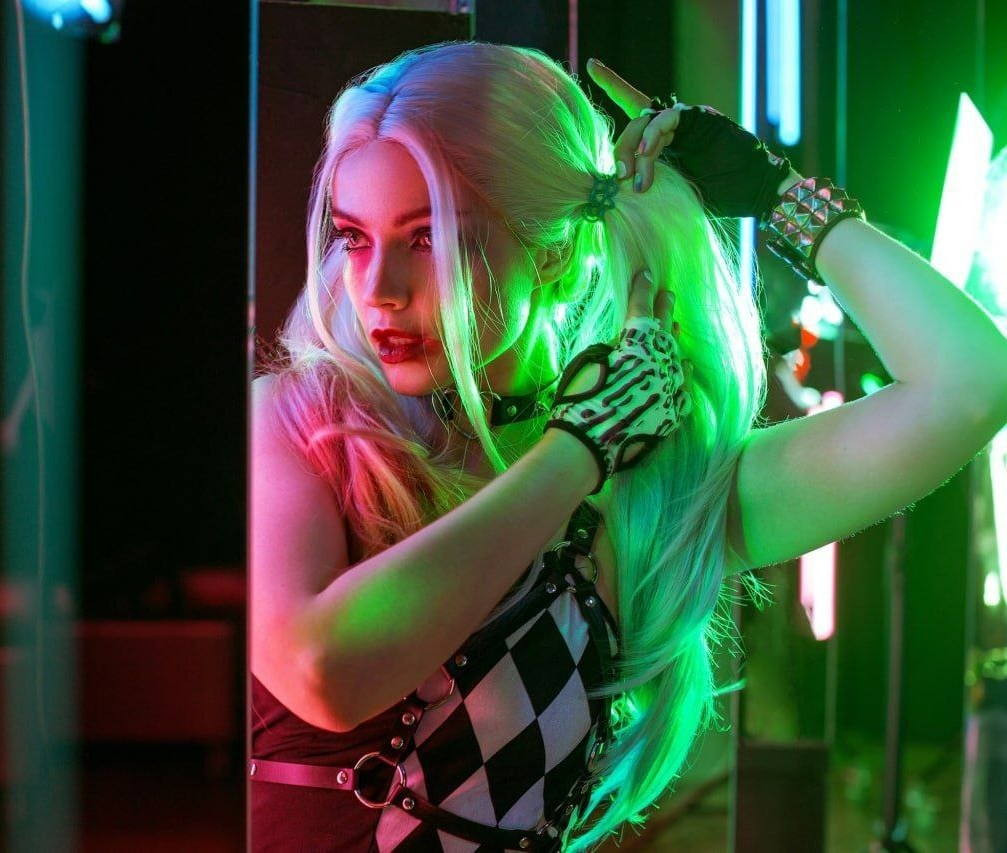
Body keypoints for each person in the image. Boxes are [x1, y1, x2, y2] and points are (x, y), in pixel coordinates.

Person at [249, 41, 1007, 852]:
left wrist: (781, 196)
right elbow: (327, 672)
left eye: (429, 238)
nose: (379, 290)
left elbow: (969, 387)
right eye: (355, 237)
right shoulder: (299, 424)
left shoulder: (647, 489)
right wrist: (578, 450)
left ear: (550, 250)